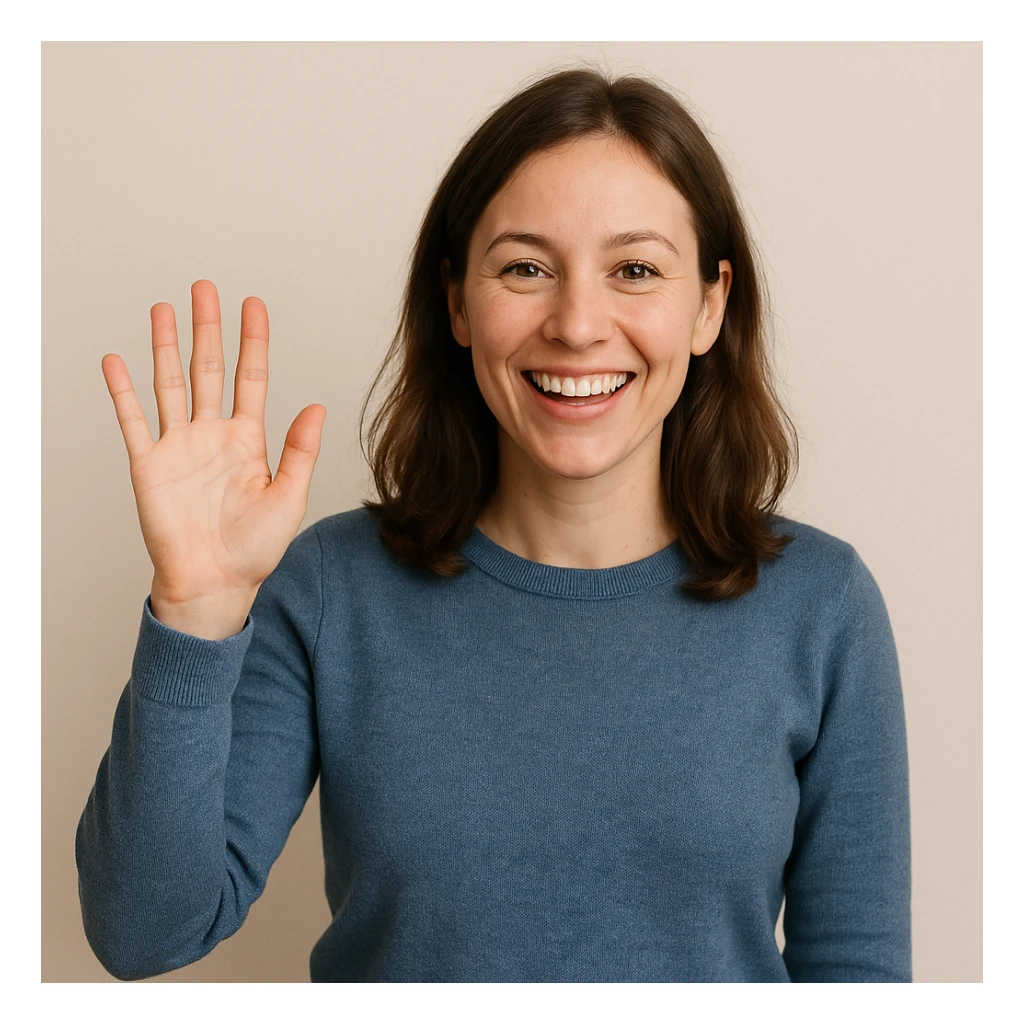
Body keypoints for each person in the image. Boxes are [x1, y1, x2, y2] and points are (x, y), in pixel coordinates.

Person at [76, 64, 912, 983]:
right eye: (525, 268)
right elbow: (144, 929)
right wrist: (193, 611)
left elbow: (859, 979)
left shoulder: (823, 607)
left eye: (635, 269)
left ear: (710, 304)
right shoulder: (329, 589)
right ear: (457, 302)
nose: (579, 324)